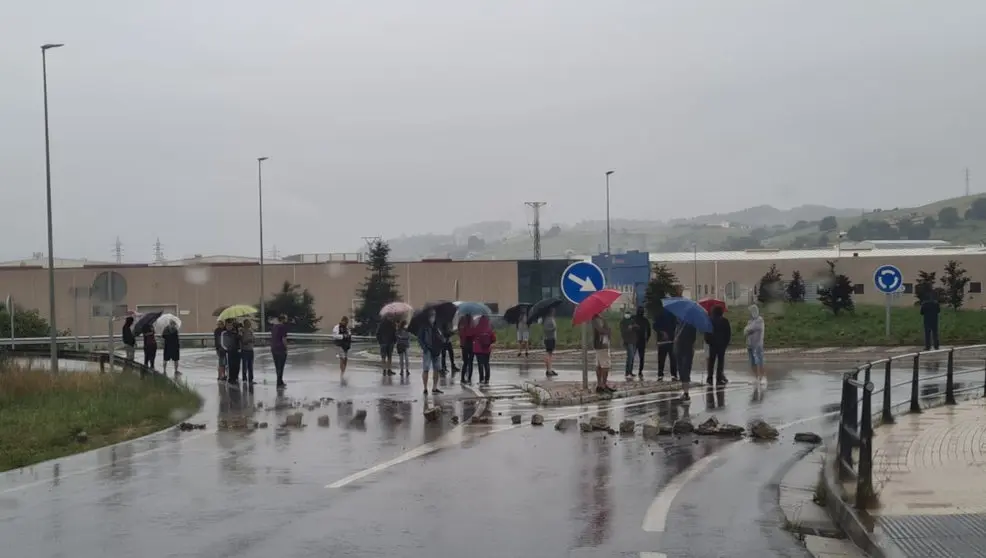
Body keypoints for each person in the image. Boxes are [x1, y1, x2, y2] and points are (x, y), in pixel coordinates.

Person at [417, 310, 444, 395]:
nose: (433, 317)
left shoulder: (437, 326)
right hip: (428, 349)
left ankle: (435, 387)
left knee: (437, 369)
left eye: (434, 315)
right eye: (432, 315)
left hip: (436, 350)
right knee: (426, 368)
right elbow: (420, 338)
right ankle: (425, 388)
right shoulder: (424, 326)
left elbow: (441, 336)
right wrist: (424, 348)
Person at [705, 305, 731, 385]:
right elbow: (728, 334)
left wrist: (708, 341)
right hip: (721, 345)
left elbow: (707, 333)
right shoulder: (725, 321)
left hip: (712, 345)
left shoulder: (709, 320)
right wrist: (725, 344)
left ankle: (709, 378)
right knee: (720, 362)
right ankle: (719, 379)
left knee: (711, 362)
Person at [654, 301, 678, 381]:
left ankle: (660, 374)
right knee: (672, 358)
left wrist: (661, 332)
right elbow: (676, 325)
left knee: (662, 358)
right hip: (670, 340)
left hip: (662, 340)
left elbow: (655, 326)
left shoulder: (659, 314)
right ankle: (673, 374)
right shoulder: (672, 314)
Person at [674, 321, 697, 401]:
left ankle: (686, 392)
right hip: (683, 350)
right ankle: (685, 392)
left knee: (685, 370)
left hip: (685, 349)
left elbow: (693, 338)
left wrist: (678, 339)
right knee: (683, 370)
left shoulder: (688, 325)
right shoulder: (679, 324)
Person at [744, 305, 766, 385]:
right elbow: (745, 331)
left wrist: (748, 330)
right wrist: (747, 330)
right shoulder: (750, 321)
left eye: (750, 312)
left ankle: (761, 378)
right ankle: (756, 378)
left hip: (757, 345)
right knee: (752, 362)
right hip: (750, 344)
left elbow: (751, 328)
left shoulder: (759, 320)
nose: (749, 313)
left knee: (759, 361)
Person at [592, 313, 614, 393]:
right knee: (605, 365)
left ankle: (600, 385)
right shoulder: (596, 319)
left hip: (601, 344)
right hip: (602, 345)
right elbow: (600, 330)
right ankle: (603, 385)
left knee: (599, 365)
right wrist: (608, 331)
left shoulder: (599, 318)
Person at [472, 315, 496, 386]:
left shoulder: (477, 328)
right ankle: (487, 379)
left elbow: (473, 336)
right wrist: (489, 343)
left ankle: (481, 379)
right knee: (486, 364)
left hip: (478, 349)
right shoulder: (489, 329)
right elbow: (494, 338)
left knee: (480, 364)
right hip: (487, 349)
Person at [270, 314, 288, 388]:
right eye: (286, 318)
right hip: (280, 348)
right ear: (283, 319)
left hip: (273, 348)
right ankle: (279, 382)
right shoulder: (282, 327)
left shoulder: (274, 327)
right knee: (281, 366)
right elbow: (283, 339)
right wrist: (286, 348)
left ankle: (280, 381)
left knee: (277, 366)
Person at [633, 307, 652, 378]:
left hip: (635, 340)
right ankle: (640, 371)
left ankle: (633, 371)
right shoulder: (645, 320)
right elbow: (649, 331)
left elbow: (649, 331)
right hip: (640, 340)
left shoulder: (634, 318)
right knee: (641, 357)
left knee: (634, 356)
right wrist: (647, 339)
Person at [619, 310, 638, 379]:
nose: (628, 315)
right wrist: (629, 328)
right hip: (627, 341)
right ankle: (627, 372)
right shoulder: (623, 322)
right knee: (630, 357)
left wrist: (634, 326)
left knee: (632, 357)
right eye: (626, 314)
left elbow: (637, 327)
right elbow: (623, 331)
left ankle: (630, 372)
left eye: (629, 314)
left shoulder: (632, 320)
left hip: (633, 341)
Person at [458, 314, 475, 384]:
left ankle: (462, 378)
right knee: (470, 362)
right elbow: (474, 332)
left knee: (465, 363)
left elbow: (460, 332)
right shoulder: (472, 321)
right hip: (471, 344)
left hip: (464, 344)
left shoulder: (462, 321)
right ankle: (469, 378)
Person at [542, 309, 558, 377]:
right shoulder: (548, 319)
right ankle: (549, 370)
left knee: (549, 354)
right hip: (550, 338)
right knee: (549, 354)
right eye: (552, 311)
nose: (554, 312)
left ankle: (549, 369)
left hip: (549, 338)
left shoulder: (547, 319)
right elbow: (547, 329)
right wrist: (554, 328)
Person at [240, 319, 256, 385]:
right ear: (245, 324)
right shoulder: (242, 331)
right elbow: (242, 341)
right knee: (245, 365)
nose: (249, 324)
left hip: (251, 350)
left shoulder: (251, 330)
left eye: (250, 323)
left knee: (250, 366)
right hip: (244, 350)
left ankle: (251, 379)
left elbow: (254, 339)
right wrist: (248, 340)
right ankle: (244, 379)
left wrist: (253, 339)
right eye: (248, 323)